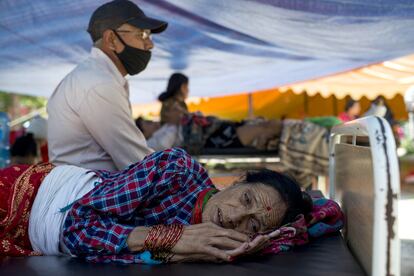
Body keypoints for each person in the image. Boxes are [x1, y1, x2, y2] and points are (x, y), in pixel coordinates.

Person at [0, 148, 311, 264]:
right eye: (246, 199)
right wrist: (171, 238)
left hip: (34, 242)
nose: (235, 217)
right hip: (23, 198)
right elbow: (75, 227)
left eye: (252, 225)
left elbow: (324, 214)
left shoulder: (221, 248)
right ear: (238, 180)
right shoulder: (176, 171)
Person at [47, 0, 168, 171]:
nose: (150, 44)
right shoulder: (98, 83)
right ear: (111, 39)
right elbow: (137, 162)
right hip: (89, 192)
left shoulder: (99, 76)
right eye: (142, 35)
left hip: (91, 186)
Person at [137, 116, 282, 152]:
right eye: (148, 124)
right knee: (263, 127)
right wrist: (175, 124)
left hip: (212, 130)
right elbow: (162, 146)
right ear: (143, 133)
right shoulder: (152, 143)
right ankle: (296, 131)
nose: (154, 123)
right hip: (213, 138)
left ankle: (295, 131)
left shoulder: (162, 130)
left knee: (263, 125)